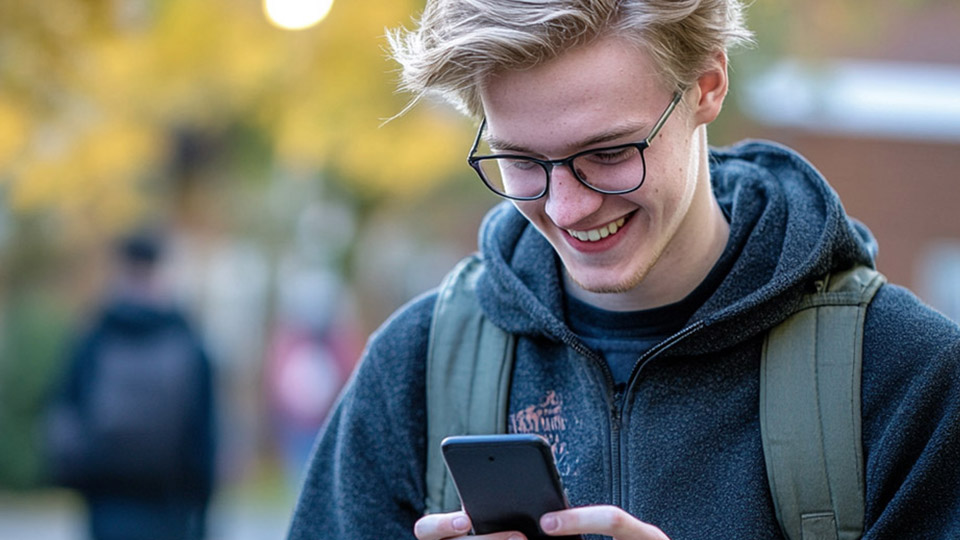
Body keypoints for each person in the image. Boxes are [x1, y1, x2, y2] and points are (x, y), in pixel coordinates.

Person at [287, 1, 960, 538]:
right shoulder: (415, 368)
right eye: (521, 160)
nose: (566, 206)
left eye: (608, 152)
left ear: (707, 85)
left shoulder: (905, 377)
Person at [46, 231, 216, 540]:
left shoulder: (96, 337)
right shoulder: (186, 341)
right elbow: (204, 435)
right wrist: (203, 511)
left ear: (121, 270)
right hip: (170, 501)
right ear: (161, 271)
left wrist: (77, 476)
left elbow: (67, 411)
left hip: (106, 498)